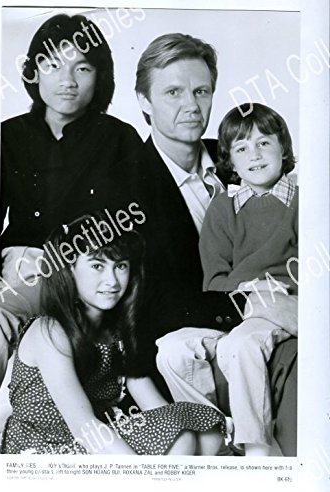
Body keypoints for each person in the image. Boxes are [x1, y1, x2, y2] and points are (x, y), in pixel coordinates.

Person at [113, 33, 298, 455]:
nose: (192, 105)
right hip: (196, 349)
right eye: (173, 92)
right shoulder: (123, 187)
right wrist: (250, 303)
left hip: (275, 332)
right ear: (143, 101)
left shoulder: (242, 156)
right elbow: (144, 302)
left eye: (201, 91)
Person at [0, 214, 229, 455]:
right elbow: (83, 426)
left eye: (120, 266)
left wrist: (180, 433)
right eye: (97, 266)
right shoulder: (49, 331)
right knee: (181, 438)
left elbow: (156, 408)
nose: (112, 281)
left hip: (96, 441)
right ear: (70, 270)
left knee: (205, 429)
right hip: (45, 450)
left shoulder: (116, 333)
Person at [0, 14, 142, 385]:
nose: (67, 80)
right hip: (22, 270)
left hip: (88, 274)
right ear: (34, 72)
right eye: (52, 66)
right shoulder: (6, 136)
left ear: (100, 76)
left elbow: (134, 227)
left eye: (82, 68)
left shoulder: (120, 139)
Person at [158, 103, 298, 455]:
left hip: (283, 305)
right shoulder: (223, 208)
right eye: (242, 148)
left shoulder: (303, 202)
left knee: (242, 345)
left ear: (283, 148)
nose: (255, 154)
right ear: (230, 162)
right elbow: (214, 281)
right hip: (239, 308)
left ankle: (257, 450)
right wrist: (250, 289)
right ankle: (217, 438)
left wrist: (275, 291)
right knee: (171, 350)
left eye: (264, 143)